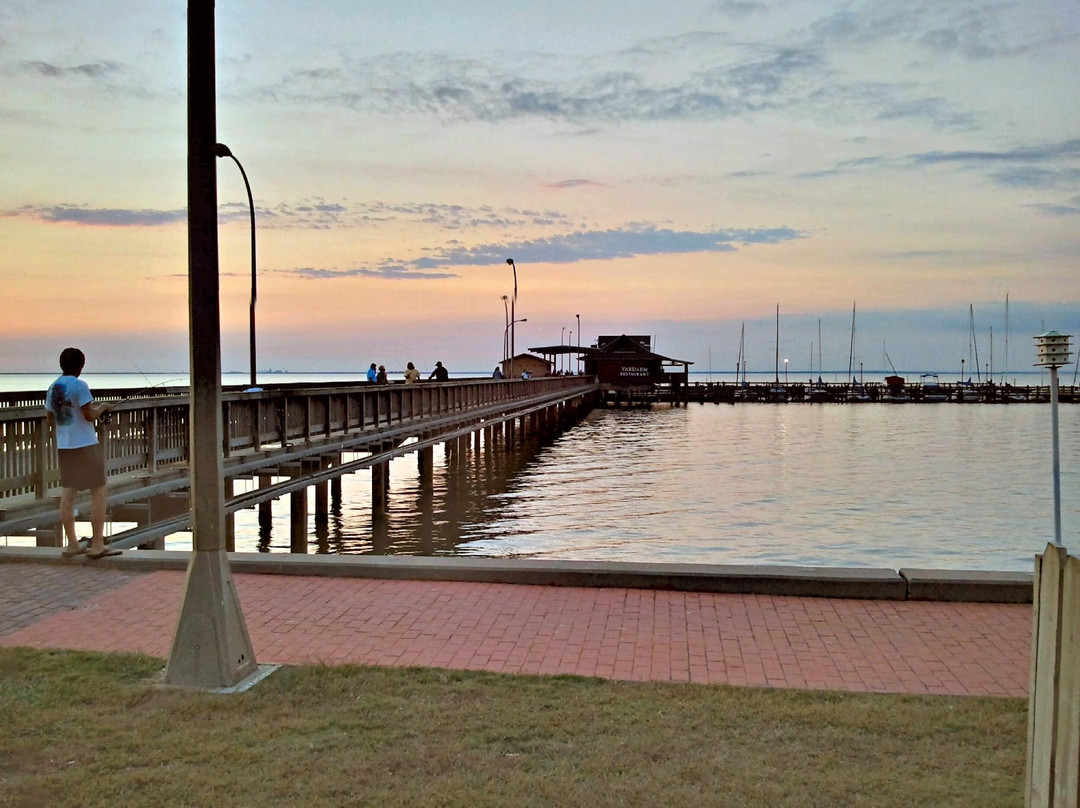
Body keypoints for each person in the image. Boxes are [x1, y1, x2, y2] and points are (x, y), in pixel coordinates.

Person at [44, 348, 121, 560]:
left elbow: (50, 419)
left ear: (61, 364)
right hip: (85, 444)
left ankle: (72, 544)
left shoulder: (53, 387)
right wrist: (103, 407)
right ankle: (97, 545)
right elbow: (89, 415)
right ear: (81, 365)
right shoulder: (80, 386)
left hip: (65, 446)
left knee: (69, 492)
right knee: (99, 490)